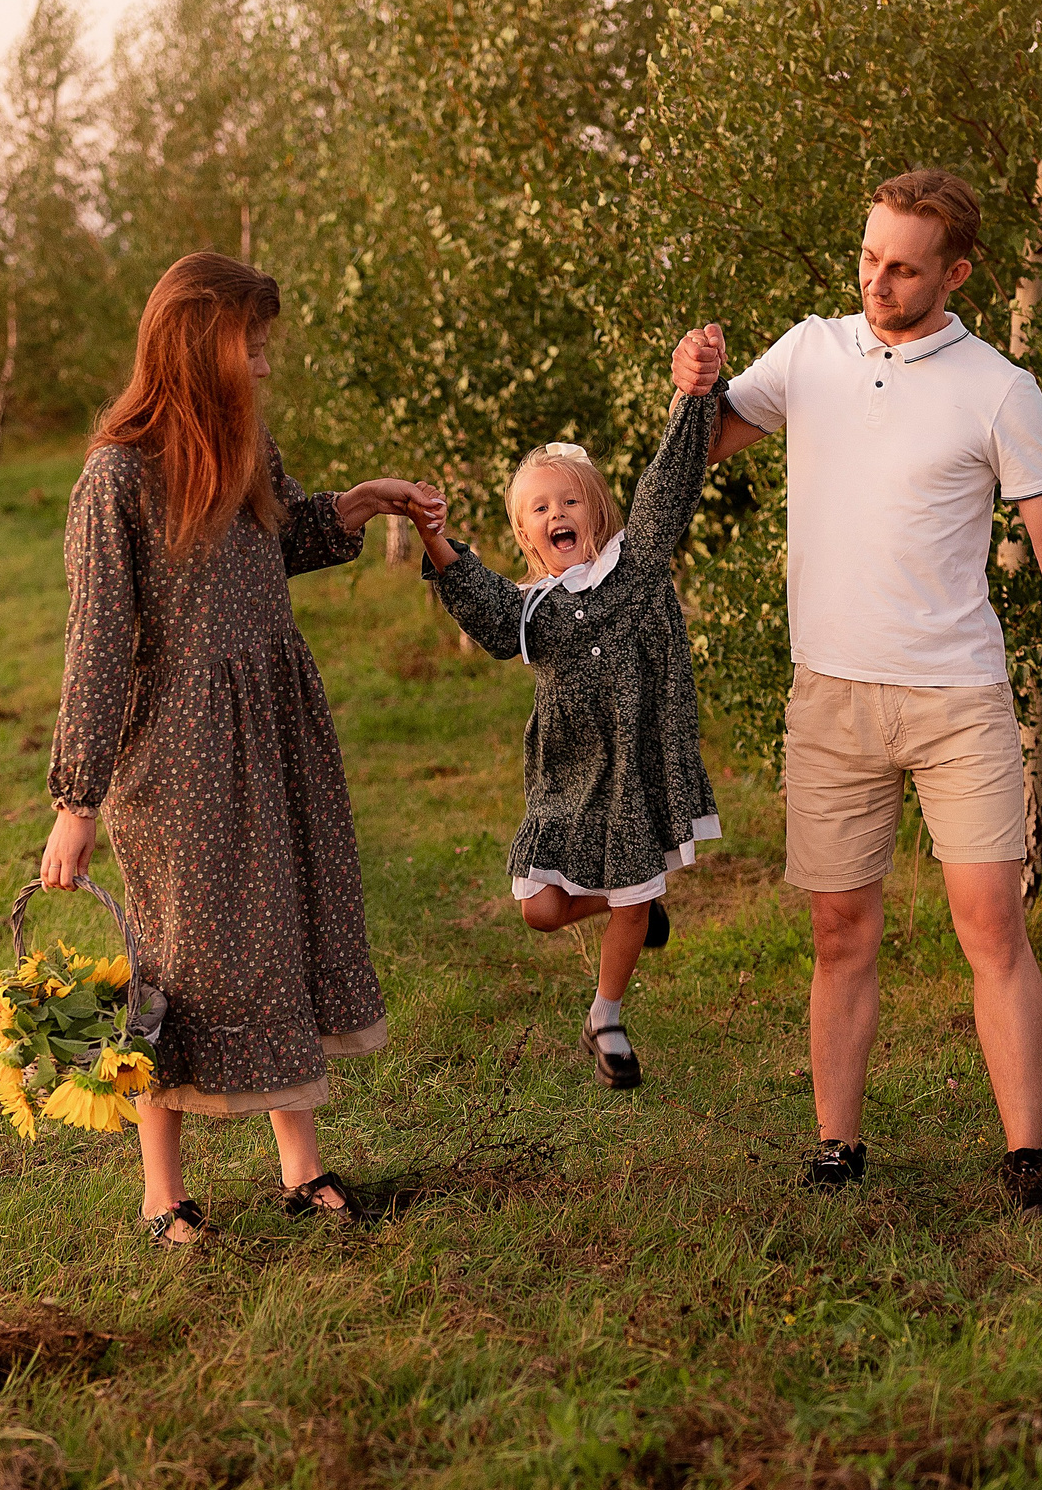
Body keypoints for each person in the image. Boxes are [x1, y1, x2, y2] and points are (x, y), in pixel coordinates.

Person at [670, 168, 1042, 1200]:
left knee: (992, 926)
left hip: (956, 700)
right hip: (831, 696)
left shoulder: (999, 388)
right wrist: (692, 384)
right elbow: (700, 448)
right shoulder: (809, 352)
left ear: (955, 274)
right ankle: (836, 1147)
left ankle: (1025, 1158)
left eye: (902, 268)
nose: (877, 282)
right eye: (867, 258)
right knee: (839, 931)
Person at [41, 251, 444, 1246]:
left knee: (279, 932)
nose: (263, 364)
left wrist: (356, 503)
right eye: (248, 346)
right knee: (179, 958)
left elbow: (279, 539)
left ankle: (300, 1168)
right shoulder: (118, 478)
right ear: (195, 347)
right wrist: (75, 801)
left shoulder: (242, 445)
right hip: (178, 752)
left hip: (272, 724)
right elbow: (98, 644)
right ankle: (162, 1192)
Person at [410, 386, 723, 1089]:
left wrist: (694, 393)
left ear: (597, 511)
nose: (557, 514)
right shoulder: (534, 612)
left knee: (632, 890)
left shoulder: (636, 566)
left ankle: (606, 1017)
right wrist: (431, 535)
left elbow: (669, 484)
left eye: (570, 501)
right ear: (526, 535)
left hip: (635, 771)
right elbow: (480, 602)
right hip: (567, 779)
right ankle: (633, 900)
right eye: (540, 509)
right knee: (540, 908)